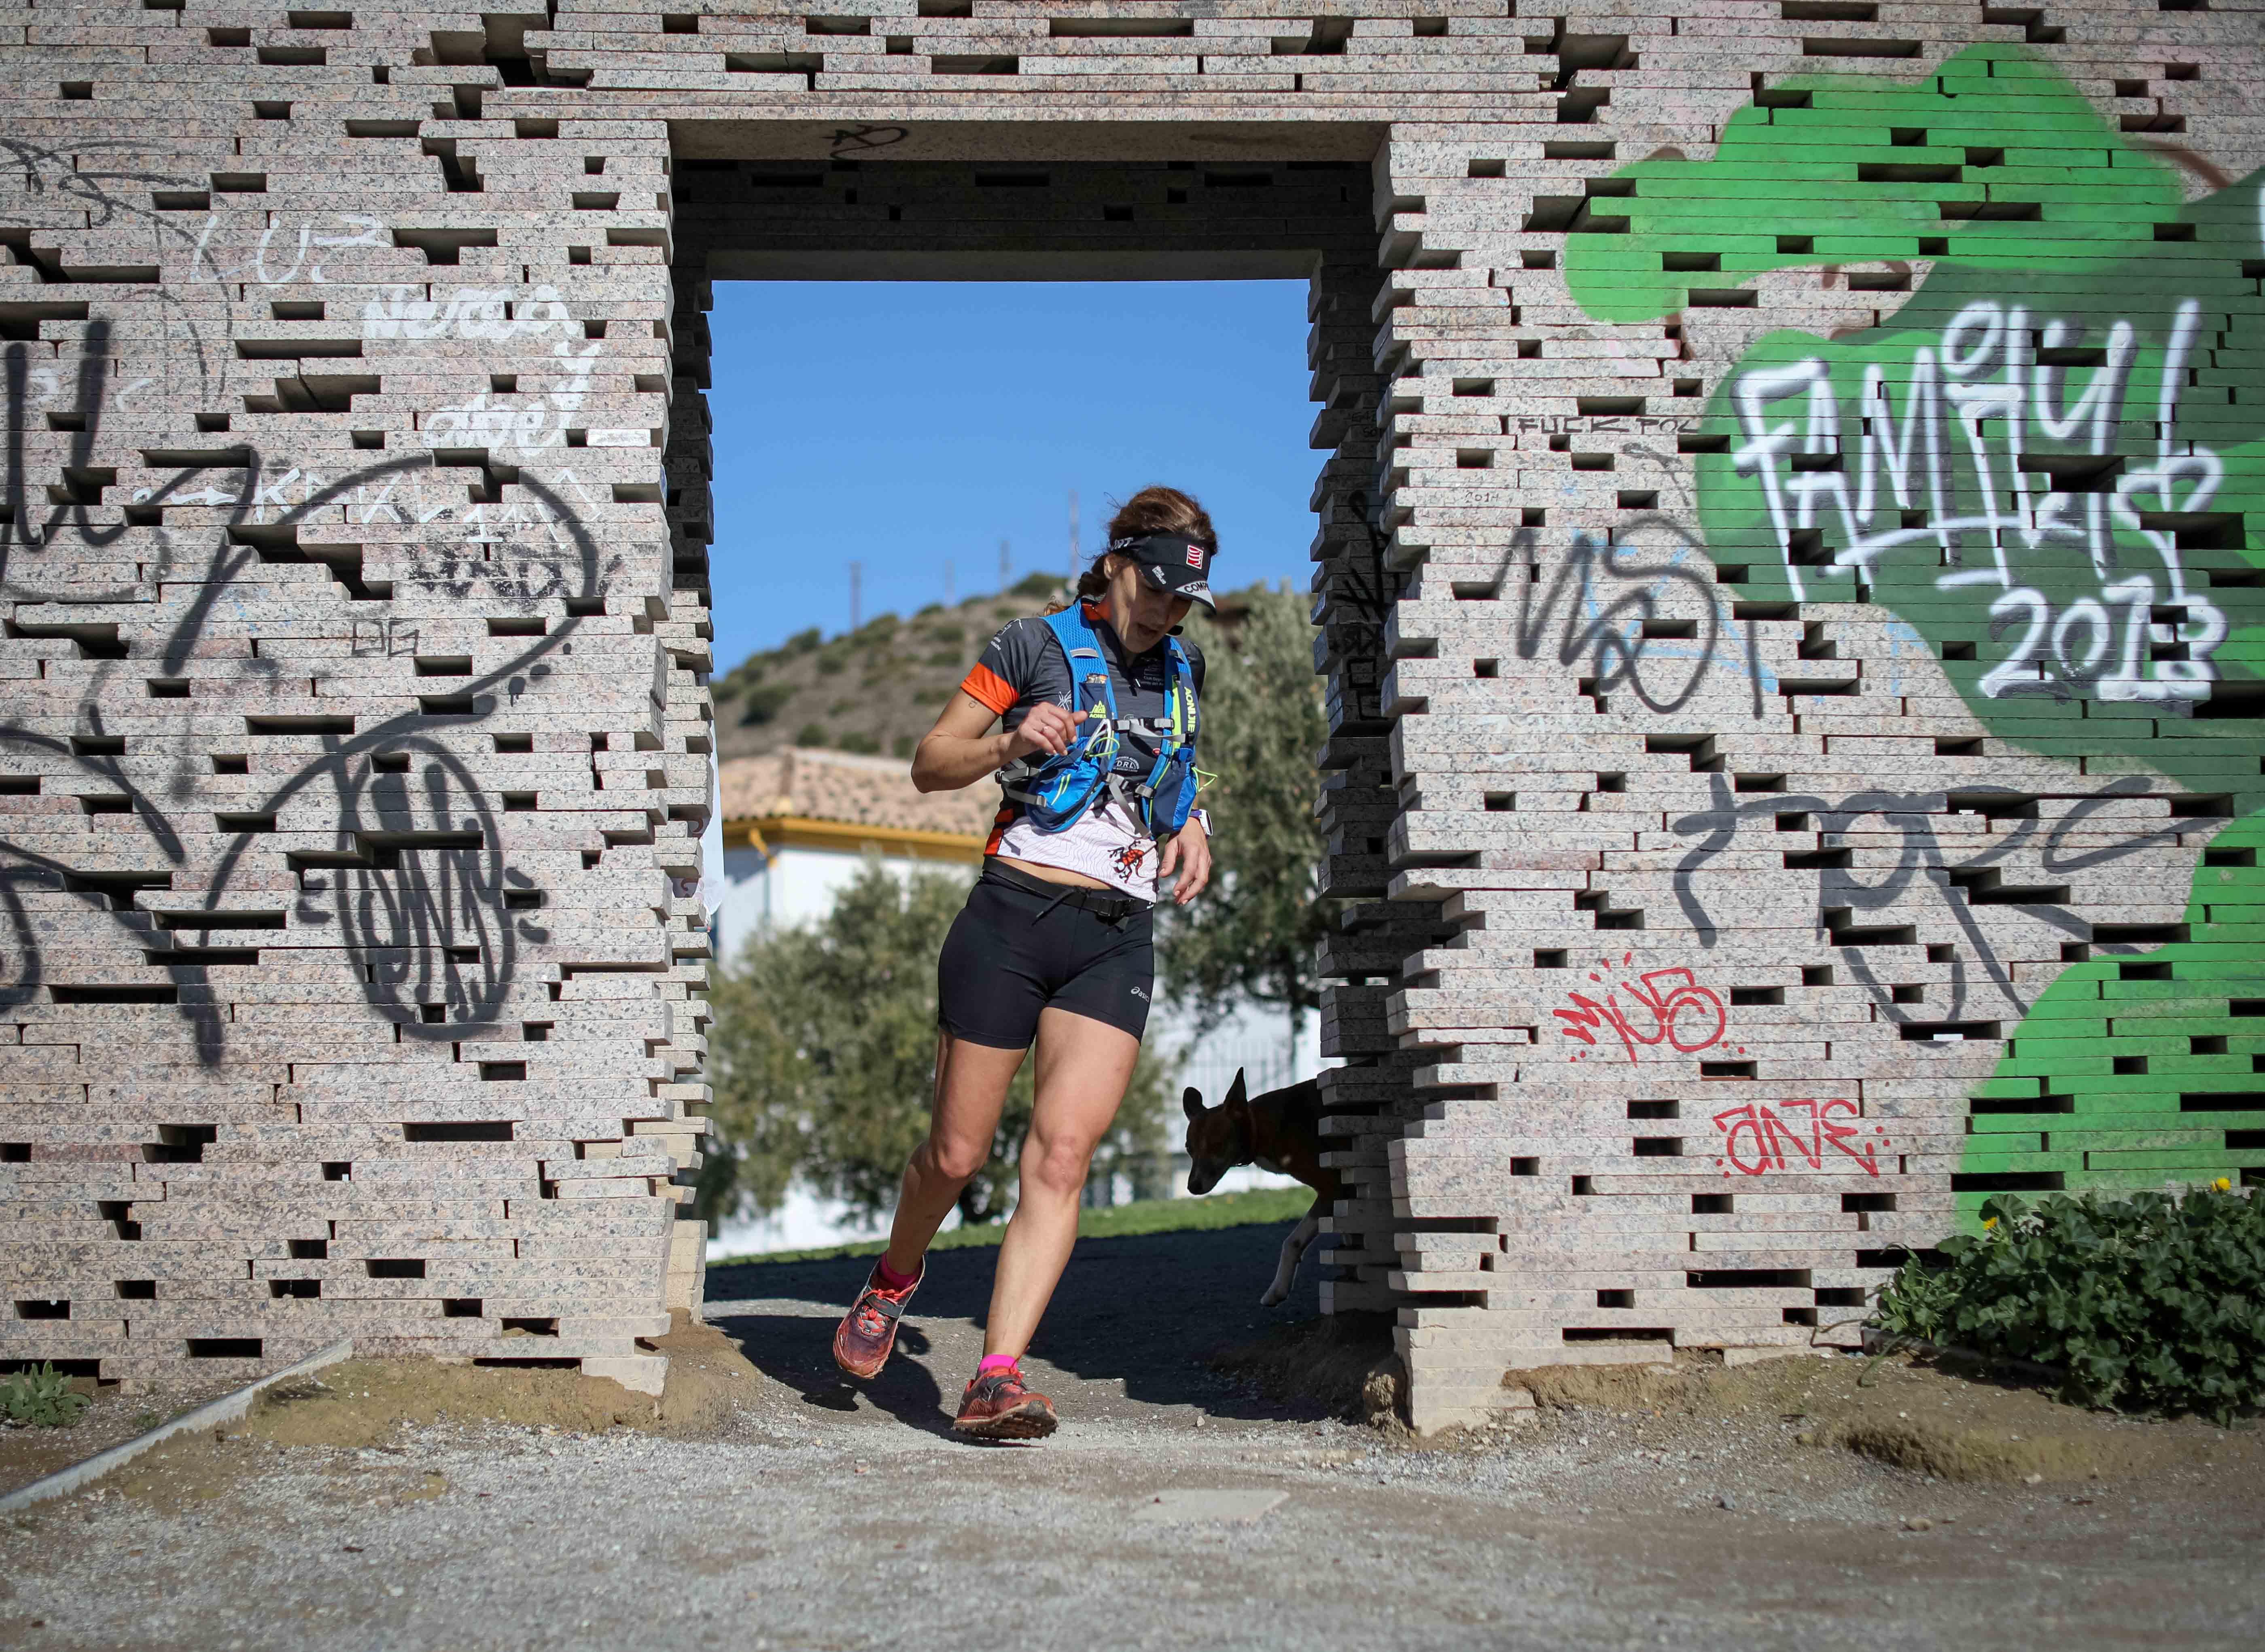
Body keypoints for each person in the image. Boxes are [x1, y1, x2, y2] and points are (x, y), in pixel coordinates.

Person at [831, 485, 1219, 1440]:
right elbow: (930, 761)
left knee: (1063, 1154)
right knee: (956, 1155)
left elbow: (1173, 772)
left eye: (1185, 599)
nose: (1168, 611)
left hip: (1116, 932)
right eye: (1158, 588)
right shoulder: (1030, 645)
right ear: (1118, 563)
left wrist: (1195, 824)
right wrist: (1008, 740)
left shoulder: (1184, 668)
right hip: (1011, 915)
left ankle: (995, 1376)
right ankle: (893, 1277)